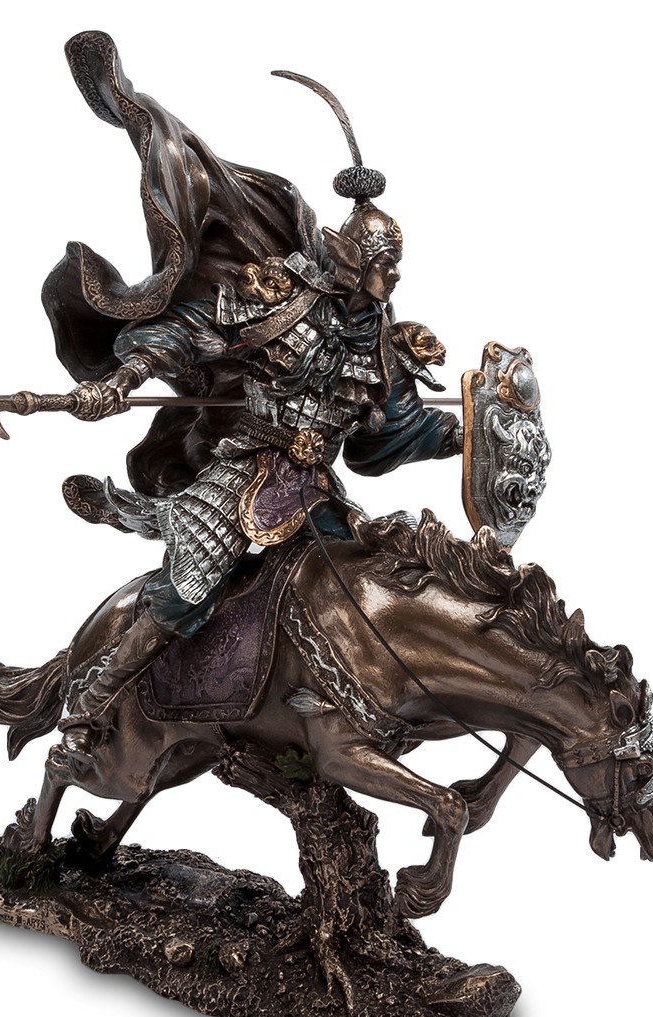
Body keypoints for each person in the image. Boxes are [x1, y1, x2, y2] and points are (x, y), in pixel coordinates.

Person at [39, 34, 462, 748]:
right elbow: (191, 331)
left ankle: (322, 716)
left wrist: (465, 434)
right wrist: (123, 378)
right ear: (348, 253)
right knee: (192, 584)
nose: (389, 280)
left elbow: (390, 434)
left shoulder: (382, 343)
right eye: (380, 264)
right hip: (245, 473)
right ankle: (91, 697)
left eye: (394, 267)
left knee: (372, 587)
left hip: (316, 491)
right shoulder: (282, 300)